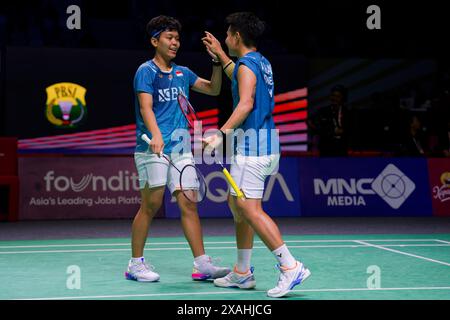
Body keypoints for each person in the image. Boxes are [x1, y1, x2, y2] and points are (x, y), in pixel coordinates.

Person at [201, 12, 311, 298]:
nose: (225, 38)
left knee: (249, 209)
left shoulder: (246, 66)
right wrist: (221, 56)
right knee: (237, 206)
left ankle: (290, 266)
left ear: (237, 35)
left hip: (254, 148)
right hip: (264, 144)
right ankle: (242, 272)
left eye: (227, 35)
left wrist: (220, 133)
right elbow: (239, 77)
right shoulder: (258, 62)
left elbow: (247, 102)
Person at [126, 15, 230, 282]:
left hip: (181, 148)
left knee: (189, 203)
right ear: (155, 41)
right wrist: (157, 135)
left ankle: (202, 264)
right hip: (152, 147)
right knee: (150, 204)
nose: (175, 43)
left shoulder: (183, 73)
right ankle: (135, 264)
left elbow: (213, 88)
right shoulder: (146, 71)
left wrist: (217, 62)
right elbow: (145, 107)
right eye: (169, 38)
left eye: (177, 38)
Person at [309, 85, 349, 156]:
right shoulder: (323, 111)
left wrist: (343, 131)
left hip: (342, 150)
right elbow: (309, 121)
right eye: (333, 96)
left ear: (343, 98)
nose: (334, 98)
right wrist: (322, 132)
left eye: (338, 96)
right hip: (326, 150)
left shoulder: (347, 112)